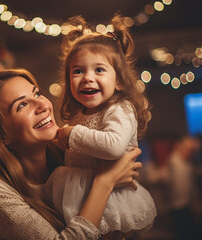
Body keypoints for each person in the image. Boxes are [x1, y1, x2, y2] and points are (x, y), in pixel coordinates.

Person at [0, 68, 143, 240]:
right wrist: (105, 182)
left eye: (37, 93)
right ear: (0, 134)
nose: (43, 105)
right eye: (22, 105)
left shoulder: (70, 156)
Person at [45, 14, 157, 237]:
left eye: (99, 70)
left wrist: (72, 134)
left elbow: (113, 146)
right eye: (78, 71)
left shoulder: (120, 108)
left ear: (119, 81)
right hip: (81, 195)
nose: (87, 77)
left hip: (112, 198)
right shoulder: (79, 113)